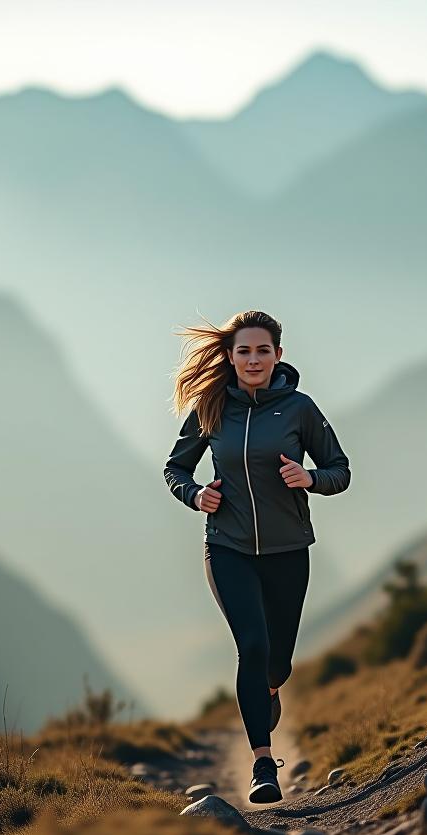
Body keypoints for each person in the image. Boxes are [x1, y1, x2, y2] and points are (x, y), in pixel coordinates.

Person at [163, 310, 351, 803]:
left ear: (278, 356)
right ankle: (264, 766)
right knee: (252, 645)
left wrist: (311, 478)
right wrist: (195, 494)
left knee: (276, 662)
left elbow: (340, 470)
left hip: (289, 551)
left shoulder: (300, 409)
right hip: (227, 547)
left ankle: (268, 691)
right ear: (230, 356)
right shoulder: (210, 408)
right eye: (243, 351)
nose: (252, 359)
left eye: (262, 351)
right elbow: (175, 468)